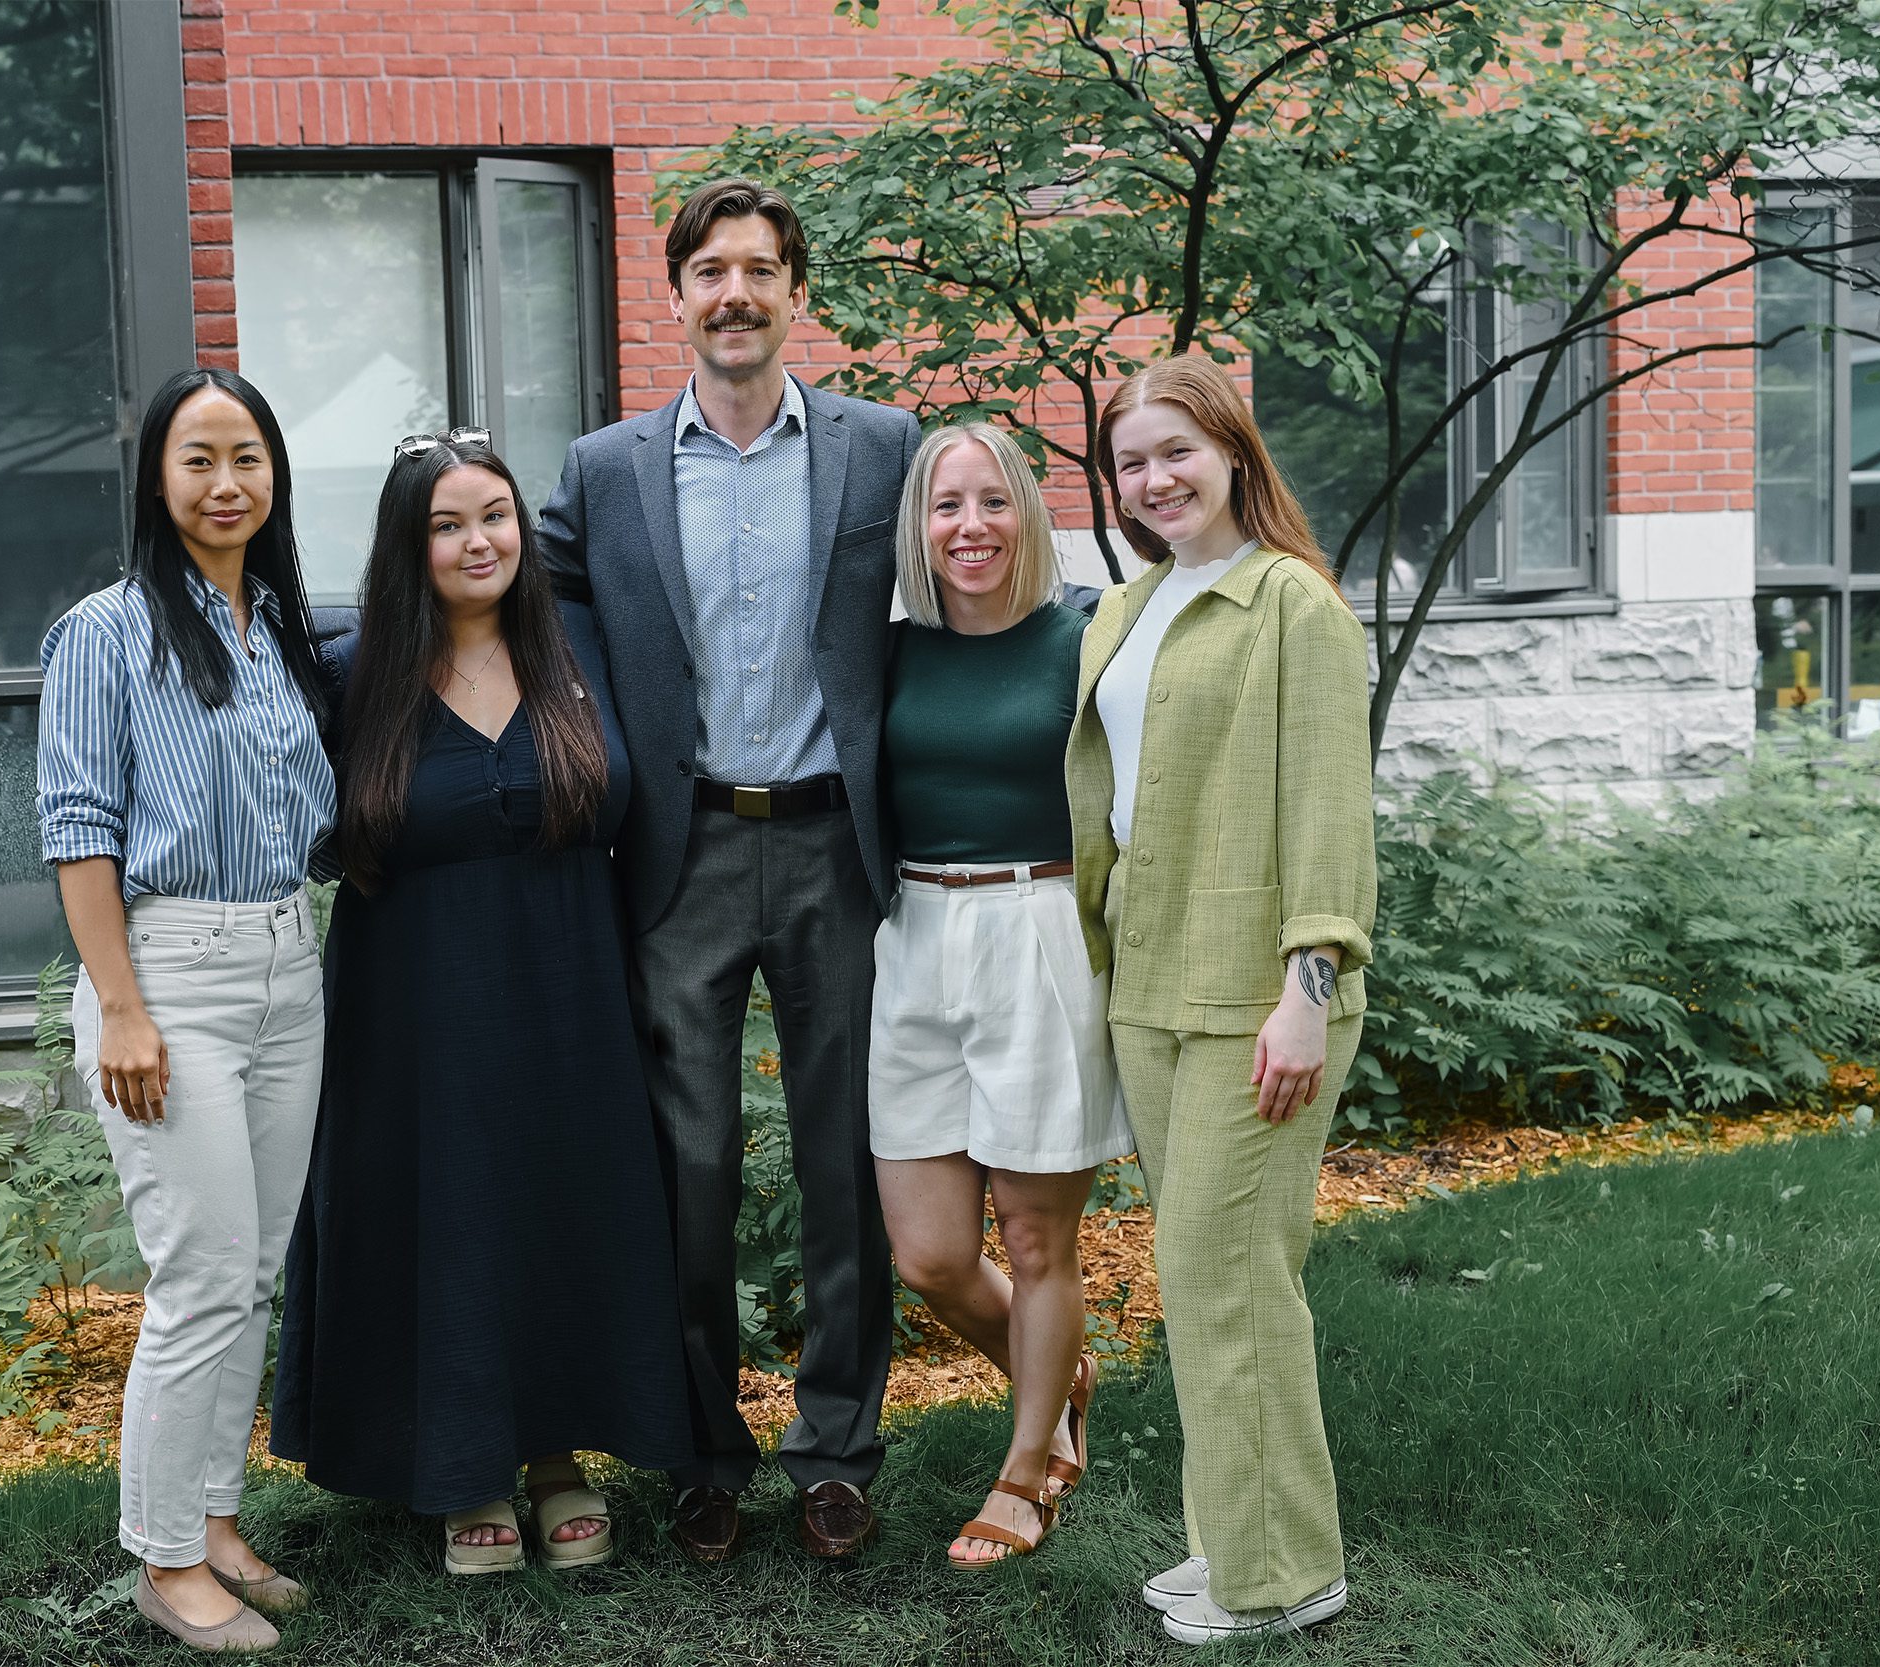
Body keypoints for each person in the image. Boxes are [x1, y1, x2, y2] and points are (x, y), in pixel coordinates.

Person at [535, 176, 919, 1563]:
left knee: (845, 1163)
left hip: (835, 846)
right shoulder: (606, 469)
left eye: (762, 269)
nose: (737, 293)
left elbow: (965, 595)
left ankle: (834, 1446)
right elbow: (532, 612)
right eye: (712, 271)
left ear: (793, 293)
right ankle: (705, 1449)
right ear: (677, 295)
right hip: (683, 850)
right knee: (685, 1166)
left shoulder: (885, 449)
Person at [270, 431, 692, 1572]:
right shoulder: (351, 677)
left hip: (572, 995)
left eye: (494, 515)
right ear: (409, 546)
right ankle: (463, 1466)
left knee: (561, 1207)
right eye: (447, 523)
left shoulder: (581, 647)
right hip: (414, 1011)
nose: (476, 540)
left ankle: (556, 1458)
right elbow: (275, 808)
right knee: (451, 1218)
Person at [1067, 358, 1377, 1645]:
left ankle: (1284, 1575)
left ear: (1234, 451)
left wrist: (1309, 987)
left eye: (1175, 451)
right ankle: (1234, 1537)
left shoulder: (1290, 604)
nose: (1154, 479)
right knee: (1198, 1283)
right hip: (1152, 984)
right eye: (1131, 462)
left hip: (1261, 991)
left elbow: (1327, 808)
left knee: (1232, 1274)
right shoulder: (1134, 602)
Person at [37, 367, 334, 1655]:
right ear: (158, 479)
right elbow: (77, 827)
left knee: (253, 1272)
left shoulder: (277, 624)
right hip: (168, 978)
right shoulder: (104, 631)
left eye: (249, 457)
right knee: (200, 1275)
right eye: (199, 458)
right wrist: (120, 1007)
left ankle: (215, 1521)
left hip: (288, 965)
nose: (227, 483)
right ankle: (162, 1558)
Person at [871, 421, 1133, 1569]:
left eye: (991, 502)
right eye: (944, 506)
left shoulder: (1088, 634)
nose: (969, 526)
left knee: (1035, 1238)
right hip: (914, 931)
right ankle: (1058, 1369)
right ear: (917, 528)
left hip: (1041, 926)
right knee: (927, 1253)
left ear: (1027, 511)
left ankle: (1026, 1469)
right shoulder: (888, 649)